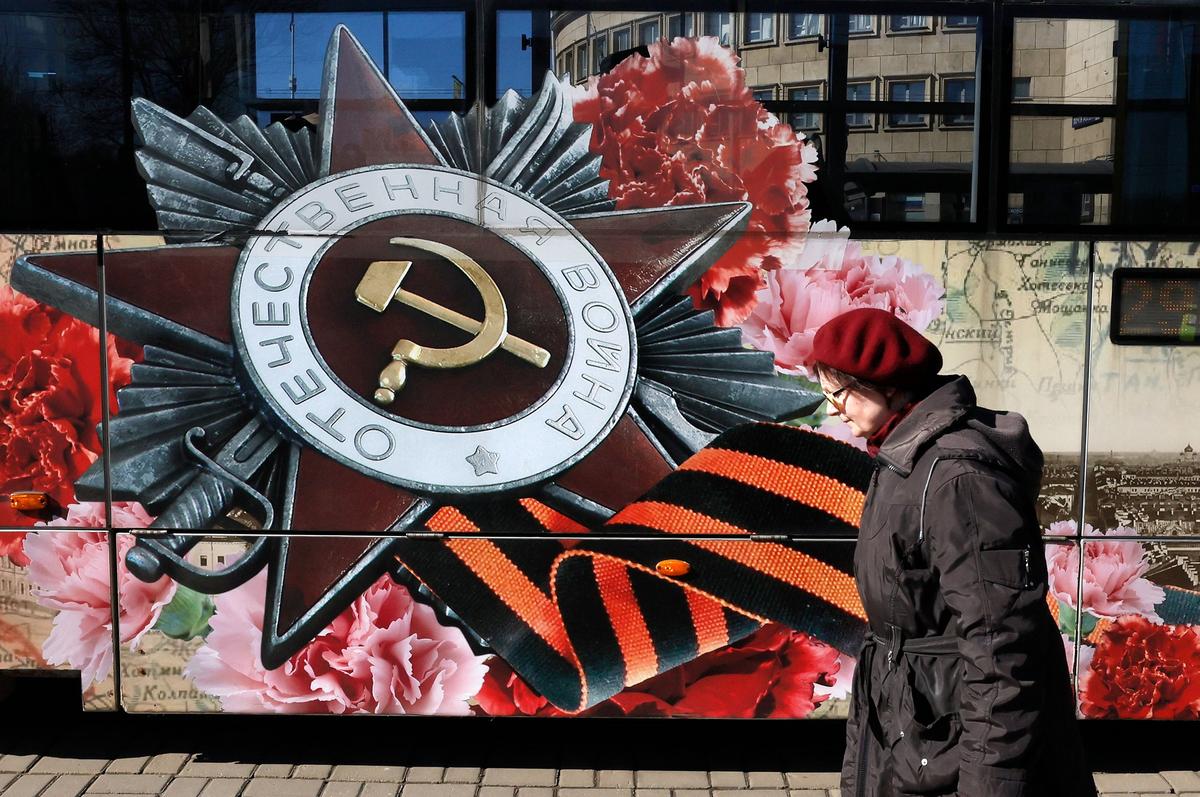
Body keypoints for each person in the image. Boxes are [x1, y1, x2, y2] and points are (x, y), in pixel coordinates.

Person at [812, 308, 1096, 797]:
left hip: (954, 743)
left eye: (839, 392)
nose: (833, 408)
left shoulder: (959, 480)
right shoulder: (904, 455)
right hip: (920, 730)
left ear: (886, 384)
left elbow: (1002, 648)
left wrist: (989, 787)